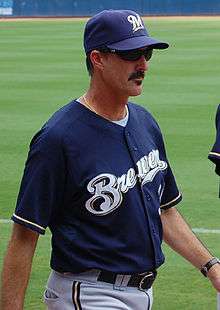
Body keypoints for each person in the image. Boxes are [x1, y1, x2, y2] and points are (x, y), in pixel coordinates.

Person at [1, 9, 220, 310]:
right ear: (98, 59)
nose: (142, 64)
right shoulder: (59, 139)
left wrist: (211, 267)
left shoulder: (145, 122)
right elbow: (25, 234)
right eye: (131, 54)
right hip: (88, 294)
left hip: (141, 294)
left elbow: (164, 211)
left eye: (147, 53)